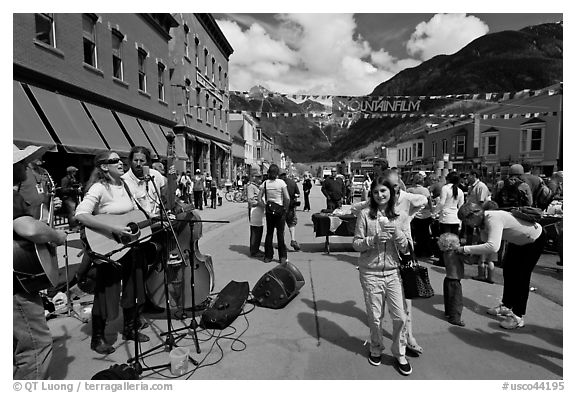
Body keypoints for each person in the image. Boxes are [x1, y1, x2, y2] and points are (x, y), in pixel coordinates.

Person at [75, 151, 151, 355]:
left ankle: (130, 328)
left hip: (130, 246)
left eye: (120, 160)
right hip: (109, 247)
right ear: (103, 167)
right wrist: (113, 229)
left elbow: (133, 214)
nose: (121, 163)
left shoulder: (125, 186)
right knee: (106, 292)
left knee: (133, 288)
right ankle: (98, 337)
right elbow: (81, 214)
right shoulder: (99, 188)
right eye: (114, 161)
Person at [13, 145, 68, 379]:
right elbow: (29, 229)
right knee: (36, 347)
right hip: (17, 288)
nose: (26, 167)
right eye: (21, 163)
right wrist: (56, 236)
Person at [352, 176, 412, 376]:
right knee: (375, 317)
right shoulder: (364, 215)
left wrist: (398, 234)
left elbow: (408, 248)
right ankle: (376, 348)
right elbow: (356, 244)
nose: (380, 195)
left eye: (383, 191)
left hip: (393, 272)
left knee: (400, 317)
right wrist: (373, 239)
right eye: (376, 192)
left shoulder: (401, 216)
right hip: (370, 272)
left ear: (391, 193)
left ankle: (399, 352)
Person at [456, 202, 546, 329]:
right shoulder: (482, 222)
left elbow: (493, 246)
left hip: (534, 239)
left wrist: (464, 249)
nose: (466, 224)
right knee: (508, 272)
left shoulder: (493, 218)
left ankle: (517, 316)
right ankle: (507, 305)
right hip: (519, 240)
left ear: (475, 215)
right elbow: (486, 241)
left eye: (467, 220)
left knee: (521, 277)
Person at [258, 164, 290, 263]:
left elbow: (259, 198)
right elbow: (287, 198)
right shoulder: (281, 183)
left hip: (269, 211)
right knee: (280, 234)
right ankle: (282, 257)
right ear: (277, 173)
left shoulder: (265, 183)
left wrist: (265, 206)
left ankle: (268, 256)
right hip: (280, 210)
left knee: (269, 233)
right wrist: (285, 208)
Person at [121, 146, 166, 217]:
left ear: (147, 162)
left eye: (142, 161)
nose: (138, 164)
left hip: (160, 219)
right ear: (130, 161)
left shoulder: (155, 175)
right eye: (135, 160)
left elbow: (165, 190)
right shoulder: (124, 181)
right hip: (142, 223)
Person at [434, 171, 465, 267]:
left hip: (446, 217)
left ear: (448, 179)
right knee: (454, 242)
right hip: (455, 217)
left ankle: (443, 260)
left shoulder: (445, 188)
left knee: (445, 241)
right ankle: (453, 260)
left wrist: (435, 212)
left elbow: (442, 203)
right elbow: (461, 206)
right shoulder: (460, 191)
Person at [406, 173, 433, 258]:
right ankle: (426, 251)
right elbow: (429, 202)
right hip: (425, 215)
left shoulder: (409, 190)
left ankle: (414, 251)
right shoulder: (425, 190)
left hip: (414, 215)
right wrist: (432, 210)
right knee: (425, 235)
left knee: (414, 235)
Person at [280, 172, 301, 251]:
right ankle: (293, 239)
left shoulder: (278, 183)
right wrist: (294, 196)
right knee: (292, 223)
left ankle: (282, 242)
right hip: (290, 206)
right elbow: (298, 194)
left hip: (280, 207)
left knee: (280, 225)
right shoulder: (292, 182)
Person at [247, 172, 265, 257]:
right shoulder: (251, 187)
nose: (260, 179)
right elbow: (250, 200)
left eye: (260, 177)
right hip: (254, 210)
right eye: (258, 177)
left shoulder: (258, 186)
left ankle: (256, 248)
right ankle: (254, 250)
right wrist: (259, 203)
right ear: (253, 177)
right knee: (255, 231)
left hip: (259, 211)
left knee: (259, 230)